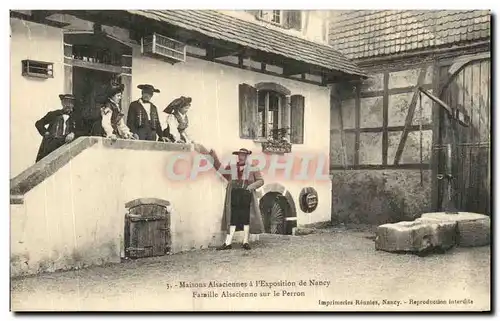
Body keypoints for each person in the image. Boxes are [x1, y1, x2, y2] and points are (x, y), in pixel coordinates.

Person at [195, 145, 264, 250]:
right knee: (233, 217)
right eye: (240, 155)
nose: (242, 157)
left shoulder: (253, 168)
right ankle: (228, 243)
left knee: (246, 218)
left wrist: (251, 186)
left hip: (246, 194)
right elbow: (221, 171)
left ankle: (245, 242)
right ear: (238, 156)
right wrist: (214, 157)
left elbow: (260, 181)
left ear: (247, 156)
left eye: (244, 155)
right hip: (234, 194)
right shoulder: (232, 167)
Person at [35, 94, 80, 162]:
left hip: (65, 145)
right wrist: (45, 133)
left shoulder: (76, 117)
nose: (68, 105)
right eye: (66, 102)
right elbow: (39, 123)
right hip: (51, 145)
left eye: (70, 103)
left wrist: (73, 133)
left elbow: (83, 130)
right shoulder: (53, 114)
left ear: (73, 105)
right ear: (62, 103)